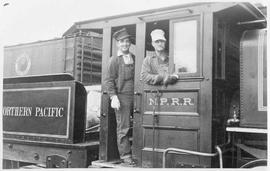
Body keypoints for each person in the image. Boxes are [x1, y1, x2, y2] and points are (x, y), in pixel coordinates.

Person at [105, 28, 136, 165]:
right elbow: (109, 80)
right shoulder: (114, 60)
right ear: (118, 44)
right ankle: (125, 156)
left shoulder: (134, 57)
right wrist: (114, 97)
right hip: (122, 97)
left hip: (136, 95)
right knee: (123, 127)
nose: (125, 44)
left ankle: (136, 152)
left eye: (127, 41)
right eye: (122, 42)